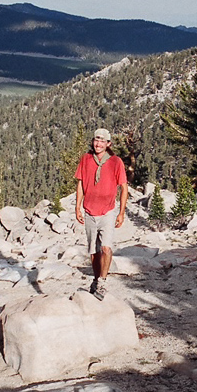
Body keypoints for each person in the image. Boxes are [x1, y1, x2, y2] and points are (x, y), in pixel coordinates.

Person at [74, 127, 128, 300]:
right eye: (96, 140)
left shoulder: (115, 161)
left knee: (106, 247)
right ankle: (96, 279)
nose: (98, 144)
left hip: (108, 211)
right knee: (93, 250)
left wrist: (121, 212)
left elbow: (123, 187)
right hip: (90, 210)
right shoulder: (86, 159)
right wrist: (78, 206)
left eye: (102, 141)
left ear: (108, 144)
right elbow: (81, 184)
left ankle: (103, 281)